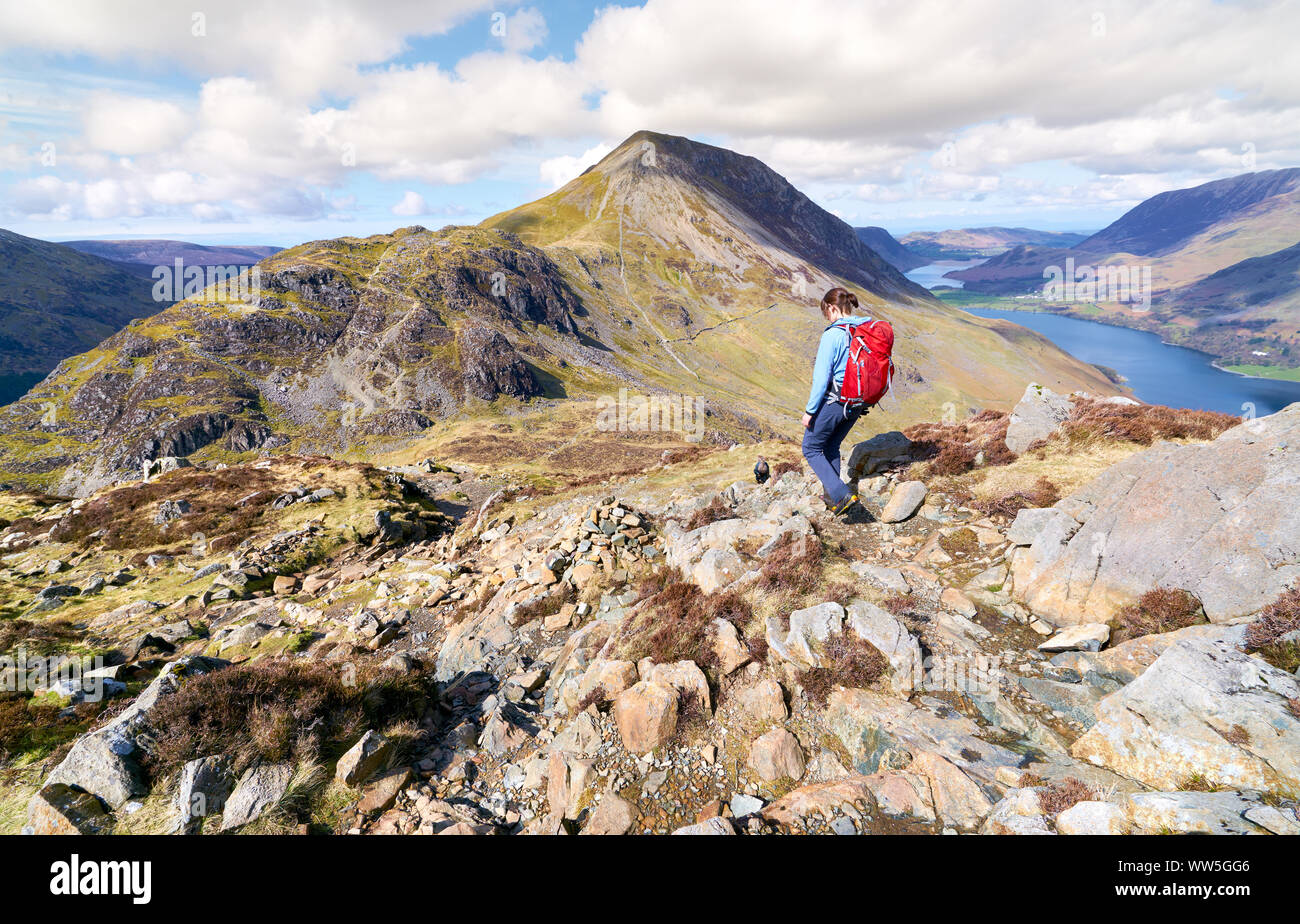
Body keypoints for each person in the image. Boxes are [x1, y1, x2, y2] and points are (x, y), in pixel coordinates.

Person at [802, 286, 866, 516]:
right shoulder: (864, 328)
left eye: (826, 313)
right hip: (858, 403)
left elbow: (821, 379)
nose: (826, 318)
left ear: (832, 308)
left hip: (837, 401)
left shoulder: (833, 335)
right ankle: (833, 497)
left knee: (810, 448)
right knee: (830, 446)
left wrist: (810, 412)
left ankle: (842, 495)